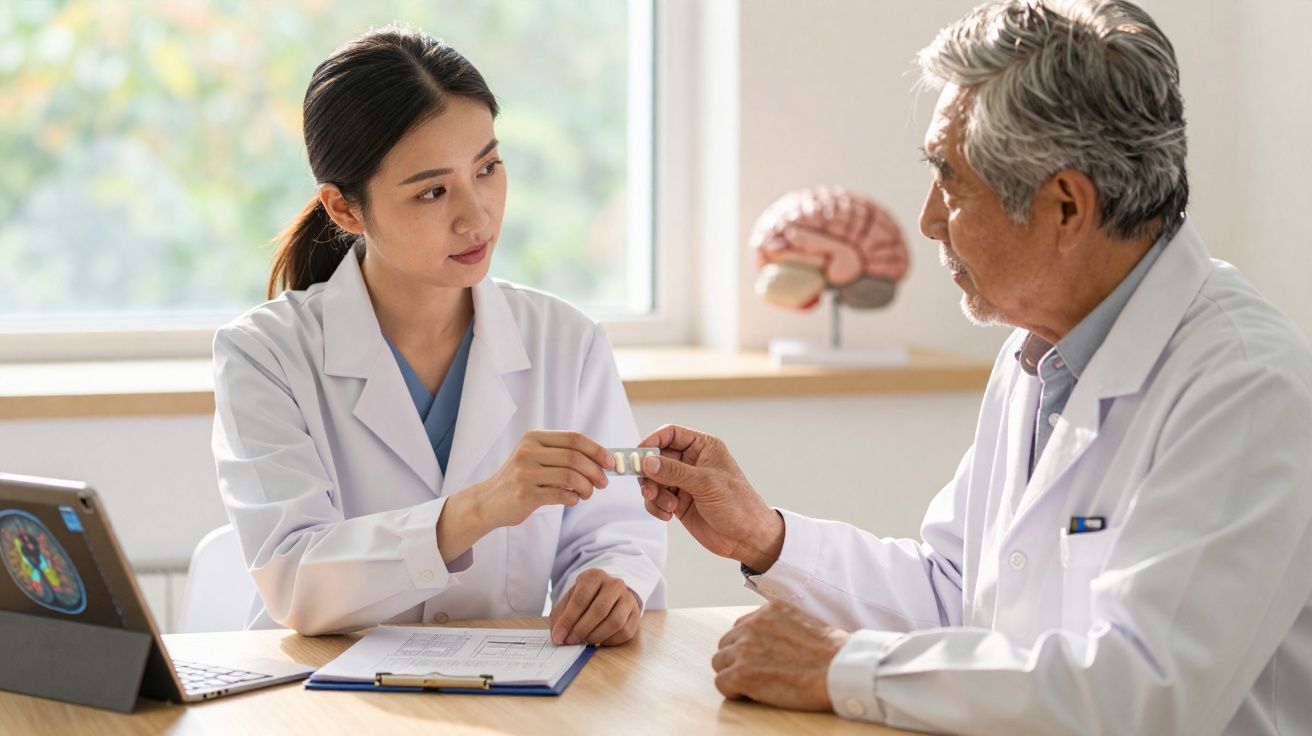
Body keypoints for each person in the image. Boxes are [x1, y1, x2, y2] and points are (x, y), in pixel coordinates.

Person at [637, 1, 1312, 733]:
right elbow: (955, 595)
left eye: (950, 180)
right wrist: (762, 535)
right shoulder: (1039, 353)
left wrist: (841, 667)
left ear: (1065, 207)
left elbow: (1142, 694)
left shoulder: (1246, 388)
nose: (928, 218)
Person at [211, 26, 665, 643]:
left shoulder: (567, 341)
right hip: (319, 695)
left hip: (510, 693)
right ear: (344, 209)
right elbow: (295, 579)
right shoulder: (265, 354)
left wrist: (615, 579)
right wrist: (477, 510)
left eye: (488, 168)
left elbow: (615, 532)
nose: (476, 215)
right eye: (431, 191)